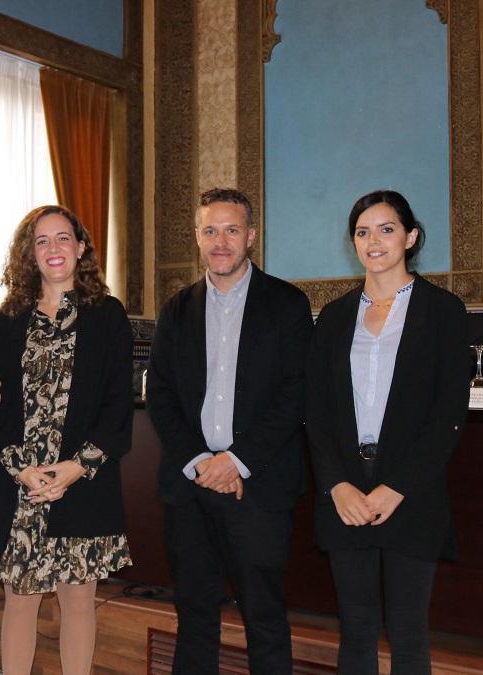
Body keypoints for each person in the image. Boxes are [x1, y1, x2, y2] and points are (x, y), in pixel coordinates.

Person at [145, 188, 312, 674]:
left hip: (256, 488)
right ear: (197, 236)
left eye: (232, 230)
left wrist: (234, 462)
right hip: (189, 487)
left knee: (264, 616)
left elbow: (294, 395)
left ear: (251, 236)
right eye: (210, 230)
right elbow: (161, 397)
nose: (221, 241)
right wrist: (201, 462)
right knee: (194, 615)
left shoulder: (286, 304)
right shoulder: (177, 309)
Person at [306, 189, 469, 674]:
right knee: (355, 631)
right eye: (362, 231)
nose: (373, 240)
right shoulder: (334, 317)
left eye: (386, 229)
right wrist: (336, 484)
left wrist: (397, 487)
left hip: (410, 491)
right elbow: (316, 411)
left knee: (408, 633)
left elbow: (448, 414)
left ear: (410, 237)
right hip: (346, 493)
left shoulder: (442, 311)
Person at [0, 205, 133, 675]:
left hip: (82, 483)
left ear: (81, 247)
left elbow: (117, 405)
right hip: (19, 485)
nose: (53, 249)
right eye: (41, 241)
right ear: (30, 253)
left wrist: (74, 468)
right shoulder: (7, 320)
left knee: (78, 599)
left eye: (62, 238)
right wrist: (21, 469)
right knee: (20, 600)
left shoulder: (107, 315)